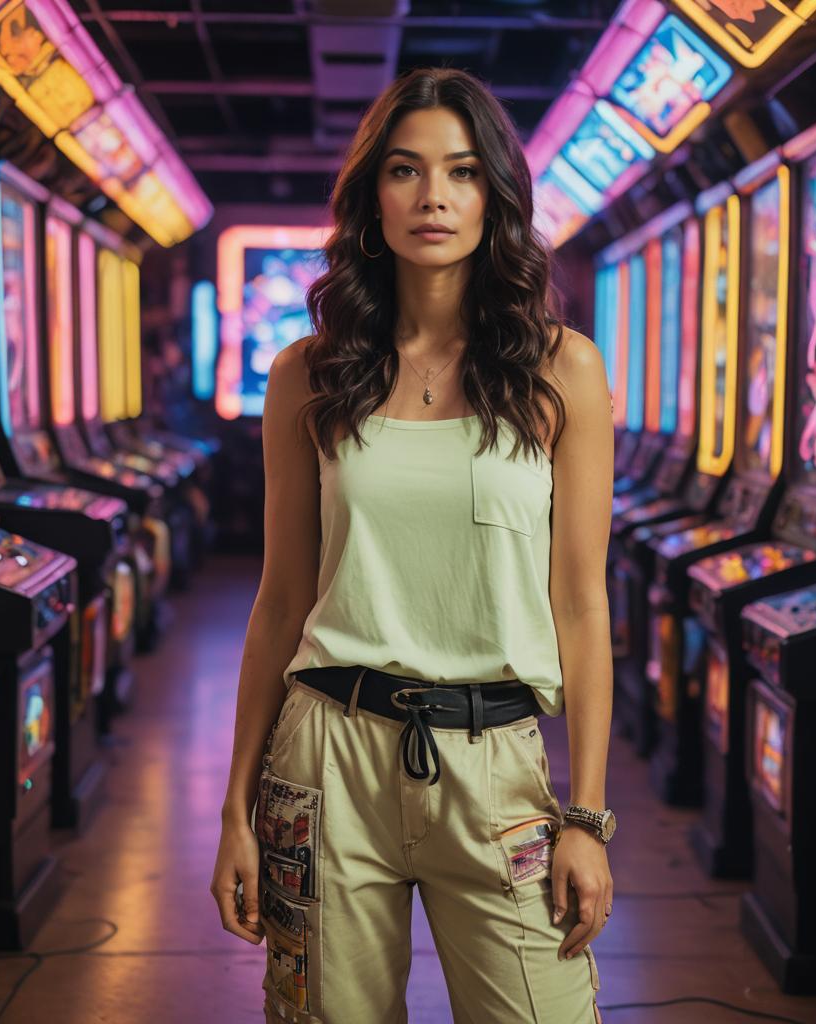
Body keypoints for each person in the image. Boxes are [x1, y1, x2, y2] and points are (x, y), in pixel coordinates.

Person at [211, 66, 615, 1024]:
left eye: (462, 172)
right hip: (327, 755)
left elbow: (581, 604)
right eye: (405, 169)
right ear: (373, 197)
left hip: (497, 765)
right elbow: (281, 600)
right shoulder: (308, 373)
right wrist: (235, 810)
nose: (433, 195)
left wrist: (588, 818)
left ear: (495, 196)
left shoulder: (562, 370)